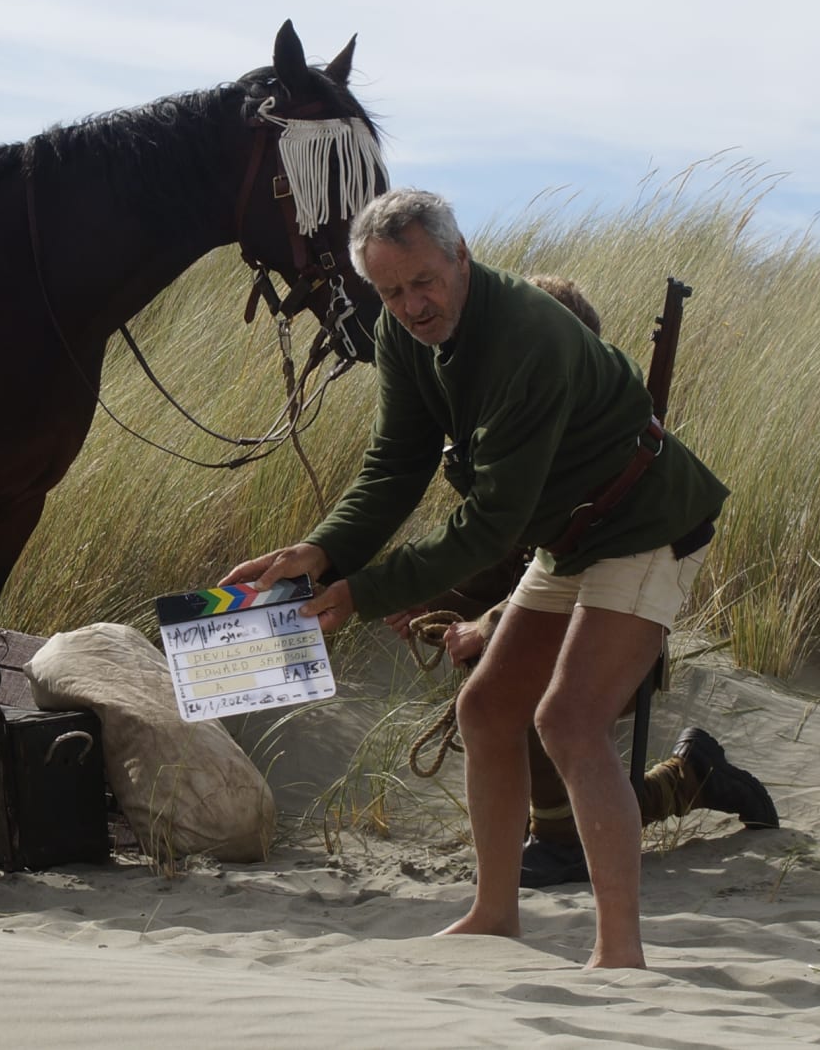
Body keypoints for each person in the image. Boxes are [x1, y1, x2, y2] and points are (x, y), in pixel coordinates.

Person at [226, 189, 731, 968]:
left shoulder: (529, 335)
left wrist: (360, 594)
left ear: (461, 257)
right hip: (567, 538)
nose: (411, 306)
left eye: (424, 282)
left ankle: (620, 956)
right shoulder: (401, 335)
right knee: (488, 709)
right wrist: (320, 553)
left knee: (568, 721)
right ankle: (495, 916)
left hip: (644, 524)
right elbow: (394, 467)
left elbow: (492, 525)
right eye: (390, 291)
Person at [383, 275, 775, 889]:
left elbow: (595, 571)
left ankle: (675, 786)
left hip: (611, 638)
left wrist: (487, 625)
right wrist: (425, 599)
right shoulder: (517, 429)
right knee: (504, 715)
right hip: (553, 620)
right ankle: (673, 783)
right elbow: (503, 552)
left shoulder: (595, 444)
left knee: (559, 749)